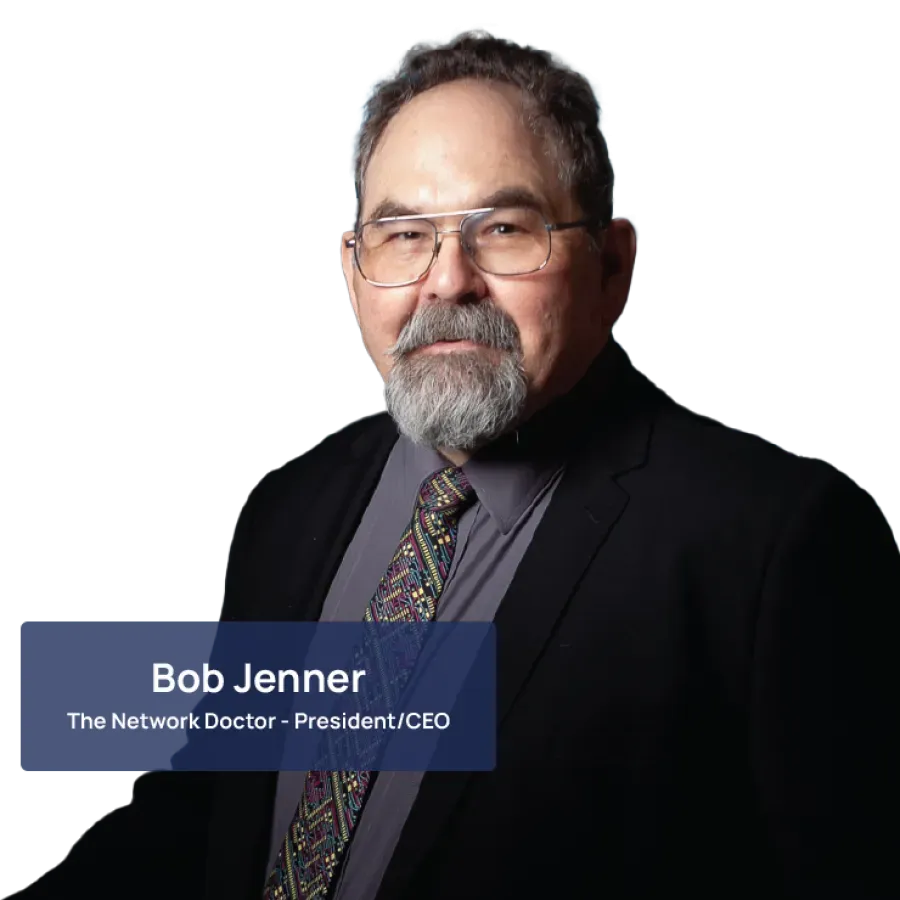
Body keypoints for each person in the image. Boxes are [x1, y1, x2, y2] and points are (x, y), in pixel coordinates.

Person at [11, 26, 899, 900]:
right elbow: (205, 813)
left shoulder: (778, 543)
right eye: (403, 236)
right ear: (351, 270)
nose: (447, 281)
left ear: (614, 265)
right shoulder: (288, 510)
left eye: (505, 228)